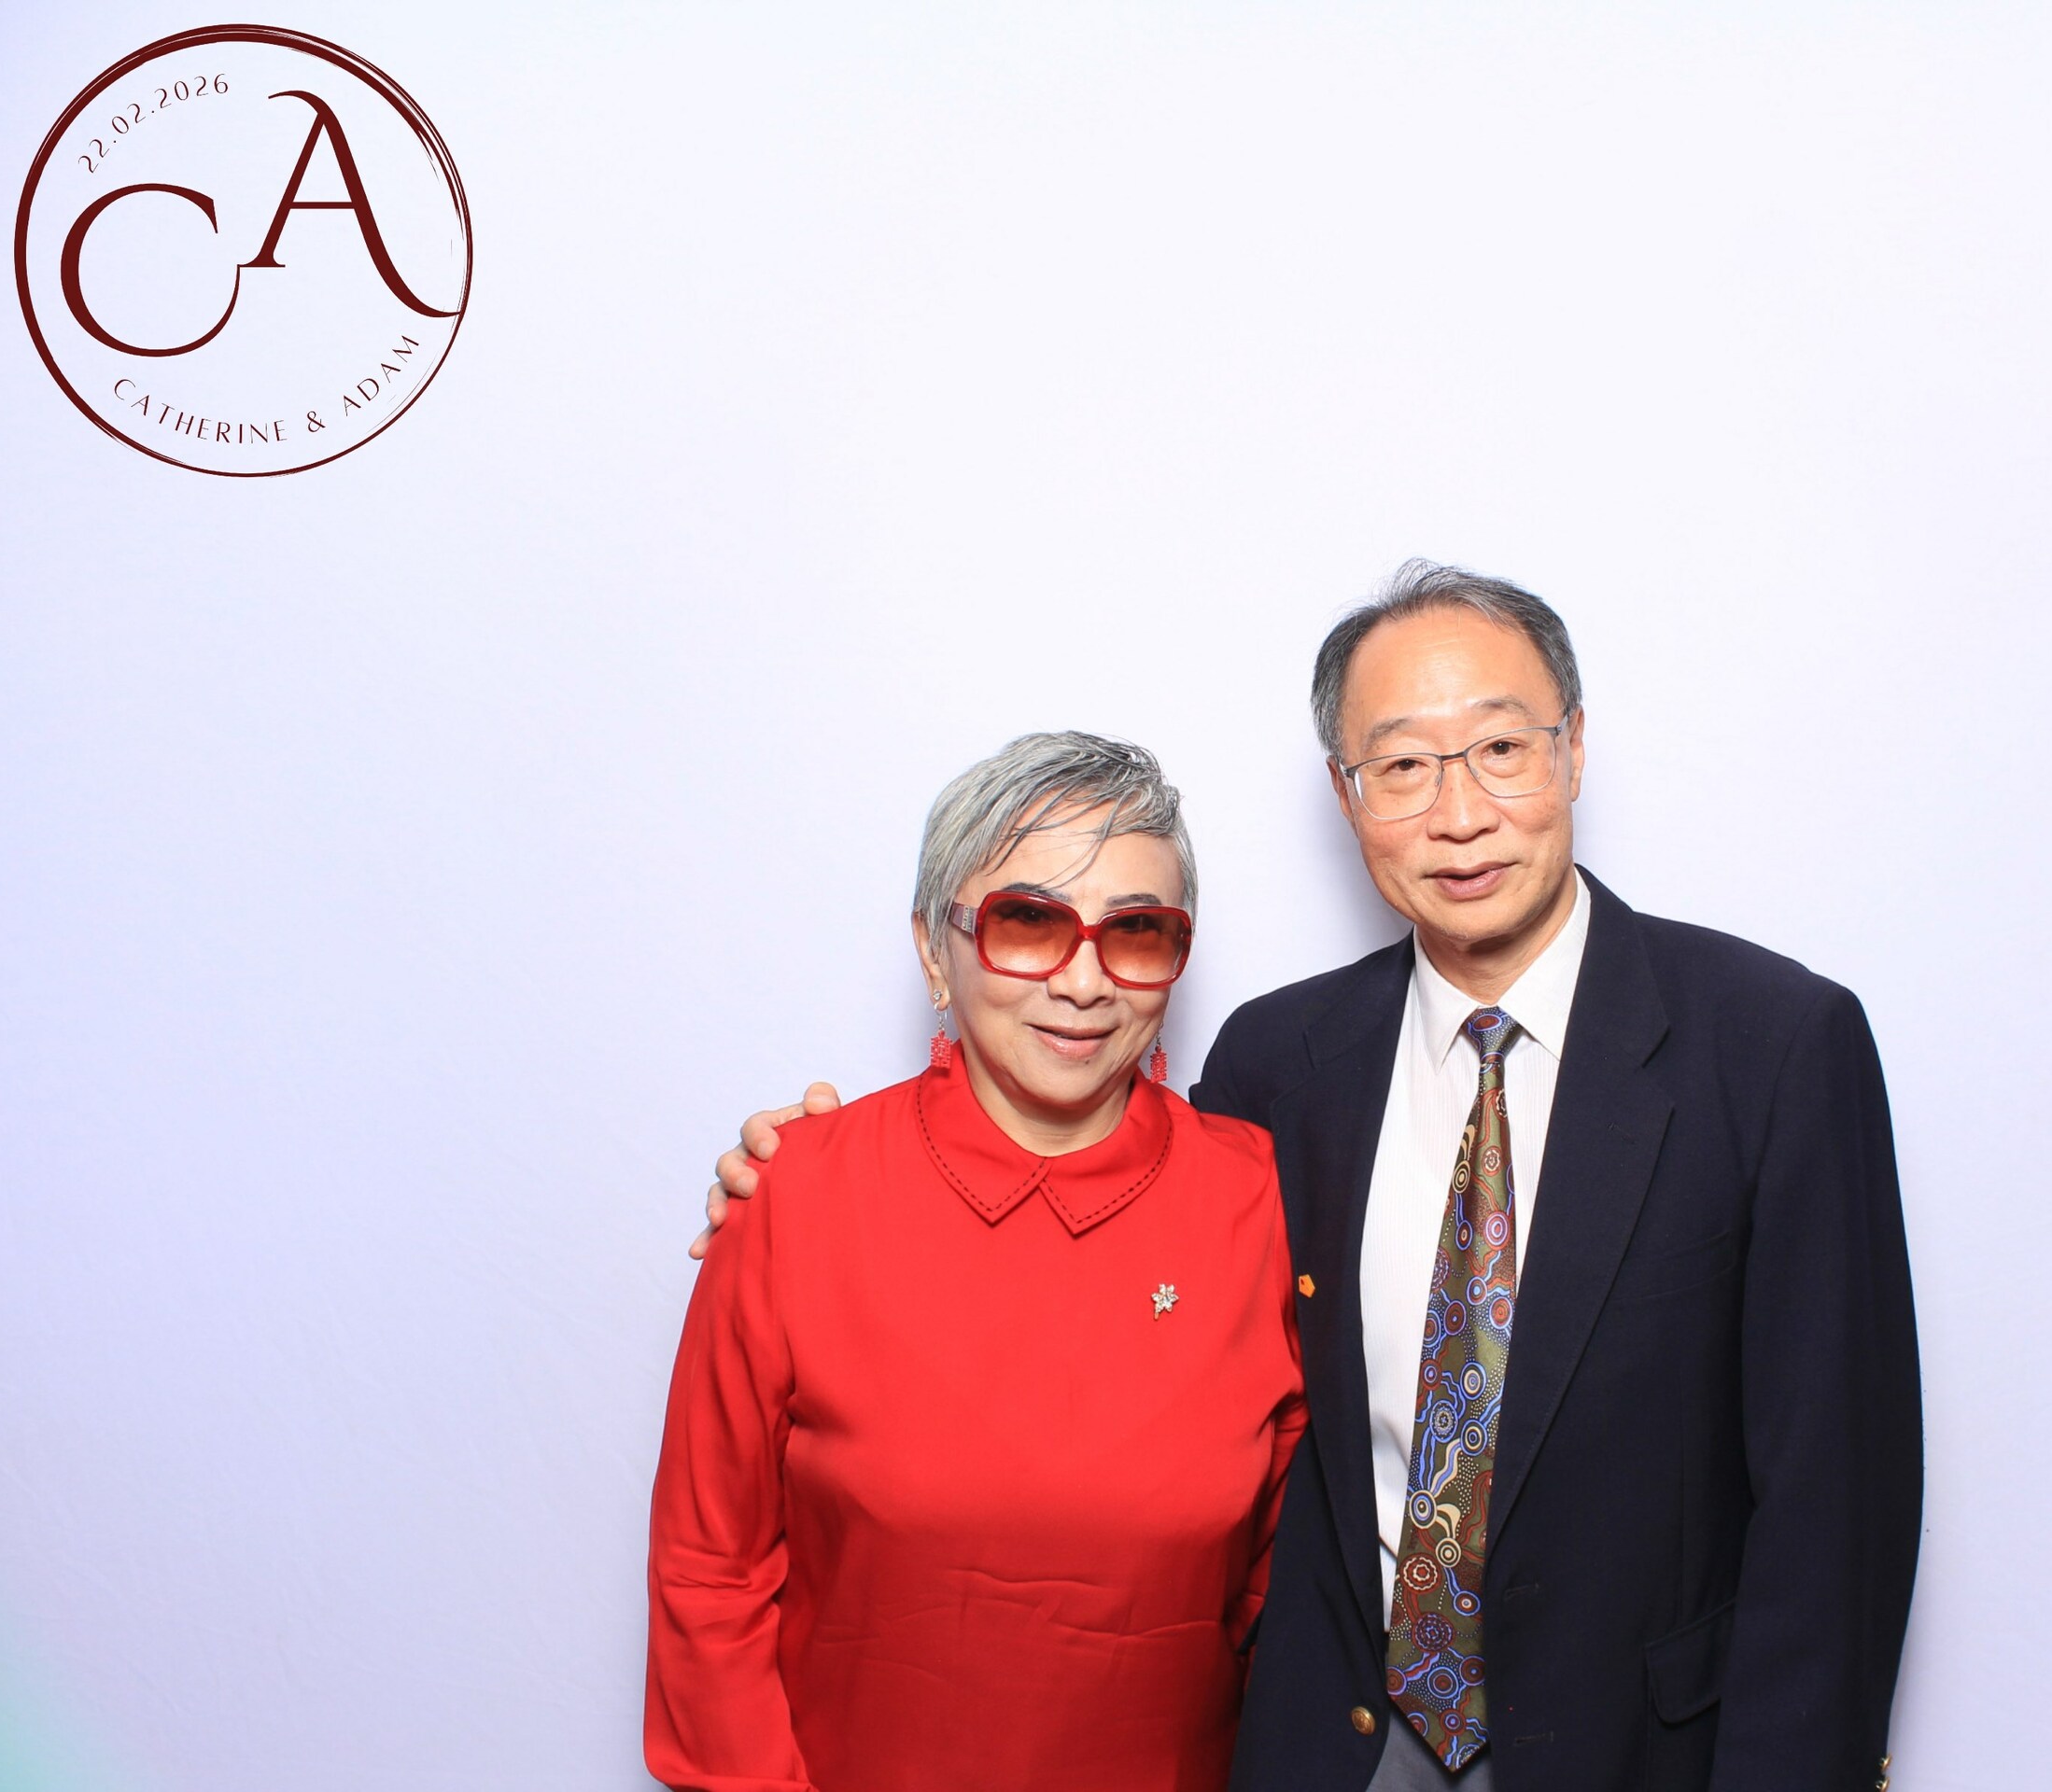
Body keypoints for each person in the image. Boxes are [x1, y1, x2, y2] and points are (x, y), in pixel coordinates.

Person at [706, 564, 1922, 1792]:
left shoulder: (1772, 1049)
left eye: (1501, 748)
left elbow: (1840, 1505)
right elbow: (1103, 1241)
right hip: (1332, 1748)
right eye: (1402, 765)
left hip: (1641, 1755)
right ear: (1347, 795)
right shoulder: (1279, 1066)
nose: (1460, 813)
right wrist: (813, 1187)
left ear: (1573, 751)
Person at [648, 733, 1306, 1792]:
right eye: (1028, 923)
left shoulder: (1263, 1199)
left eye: (1136, 931)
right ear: (932, 949)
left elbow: (1297, 1577)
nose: (1084, 982)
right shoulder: (799, 1195)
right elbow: (707, 1573)